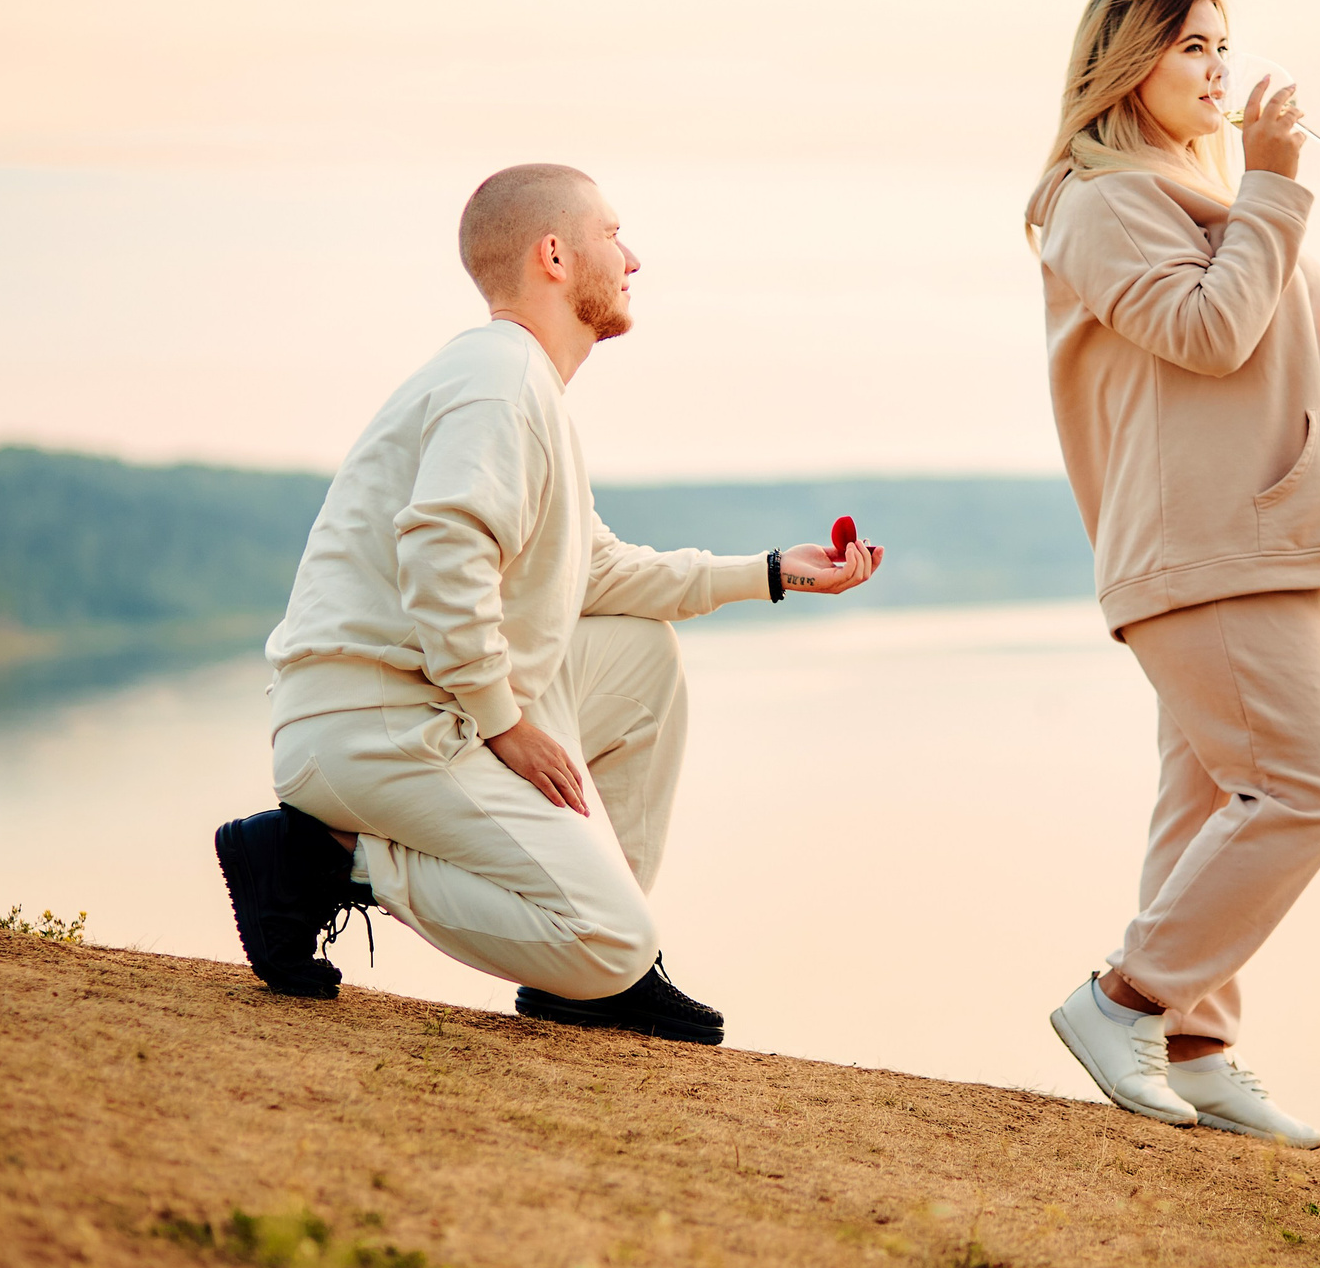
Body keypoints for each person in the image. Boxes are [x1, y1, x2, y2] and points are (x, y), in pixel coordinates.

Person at [214, 162, 880, 1043]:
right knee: (613, 934)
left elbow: (596, 572)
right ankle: (328, 861)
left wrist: (769, 570)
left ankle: (588, 982)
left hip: (416, 706)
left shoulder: (521, 385)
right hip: (375, 722)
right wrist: (502, 719)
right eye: (614, 234)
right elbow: (441, 548)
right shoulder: (502, 382)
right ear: (555, 255)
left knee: (641, 659)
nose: (633, 256)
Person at [1023, 0, 1320, 1146]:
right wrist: (1280, 188)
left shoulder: (1186, 189)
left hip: (1245, 540)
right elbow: (1201, 331)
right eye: (1193, 47)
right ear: (1129, 60)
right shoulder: (1101, 197)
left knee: (1213, 807)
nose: (1220, 68)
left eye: (1224, 45)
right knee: (1307, 790)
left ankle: (1199, 1046)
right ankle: (1121, 1000)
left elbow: (1235, 333)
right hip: (1206, 550)